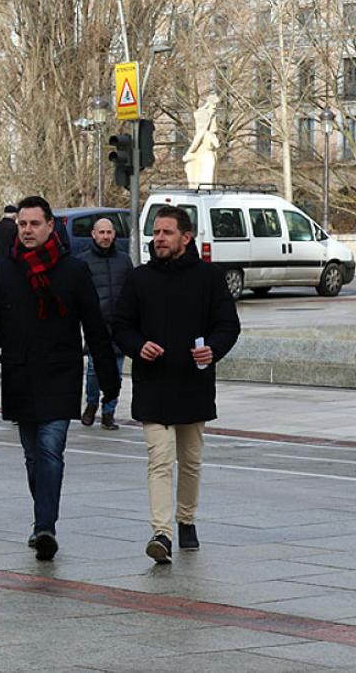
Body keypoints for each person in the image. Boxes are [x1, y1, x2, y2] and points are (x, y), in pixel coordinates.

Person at [0, 195, 119, 561]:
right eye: (22, 224)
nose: (27, 231)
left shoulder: (73, 270)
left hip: (60, 372)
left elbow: (95, 327)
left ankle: (44, 527)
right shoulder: (5, 269)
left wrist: (109, 376)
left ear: (51, 226)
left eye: (35, 224)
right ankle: (43, 519)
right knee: (33, 456)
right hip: (19, 373)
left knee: (51, 450)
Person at [112, 206, 240, 564]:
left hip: (192, 383)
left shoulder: (208, 278)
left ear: (186, 237)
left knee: (191, 460)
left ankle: (186, 519)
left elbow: (227, 324)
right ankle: (161, 533)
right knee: (160, 460)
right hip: (153, 385)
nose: (159, 239)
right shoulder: (139, 279)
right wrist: (138, 346)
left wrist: (213, 349)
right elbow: (121, 325)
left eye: (167, 232)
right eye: (156, 233)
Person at [75, 217, 132, 430]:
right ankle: (91, 404)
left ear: (114, 235)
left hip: (119, 325)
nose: (106, 236)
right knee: (93, 371)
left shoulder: (124, 260)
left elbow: (131, 291)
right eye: (102, 232)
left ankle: (109, 412)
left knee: (116, 371)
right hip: (95, 326)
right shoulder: (83, 261)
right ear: (93, 234)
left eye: (109, 232)